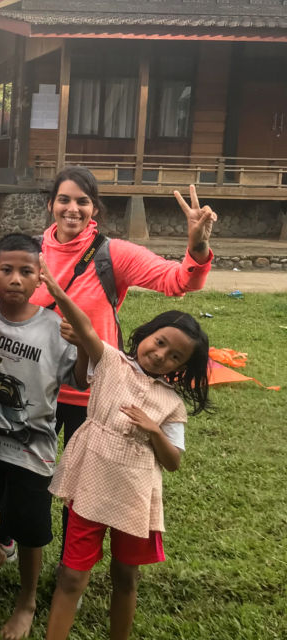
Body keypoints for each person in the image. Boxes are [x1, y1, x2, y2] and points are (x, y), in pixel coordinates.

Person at [32, 168, 216, 545]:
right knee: (28, 474)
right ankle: (13, 542)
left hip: (95, 392)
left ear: (94, 207)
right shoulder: (31, 251)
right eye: (64, 199)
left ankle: (72, 563)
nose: (72, 208)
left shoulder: (111, 253)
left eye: (82, 201)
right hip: (35, 386)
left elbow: (178, 280)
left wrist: (197, 247)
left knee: (83, 487)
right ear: (50, 204)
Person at [38, 258, 210, 640]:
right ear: (146, 334)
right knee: (71, 576)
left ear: (181, 367)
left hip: (135, 498)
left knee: (126, 577)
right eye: (160, 342)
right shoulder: (112, 361)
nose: (162, 354)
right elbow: (84, 328)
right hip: (91, 488)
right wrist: (58, 291)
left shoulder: (171, 404)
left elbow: (174, 462)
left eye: (175, 356)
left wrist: (153, 431)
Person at [0, 234, 79, 640]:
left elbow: (81, 377)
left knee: (30, 527)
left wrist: (80, 343)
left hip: (33, 447)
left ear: (40, 279)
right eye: (6, 270)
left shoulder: (53, 327)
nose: (15, 279)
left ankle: (28, 599)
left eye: (26, 271)